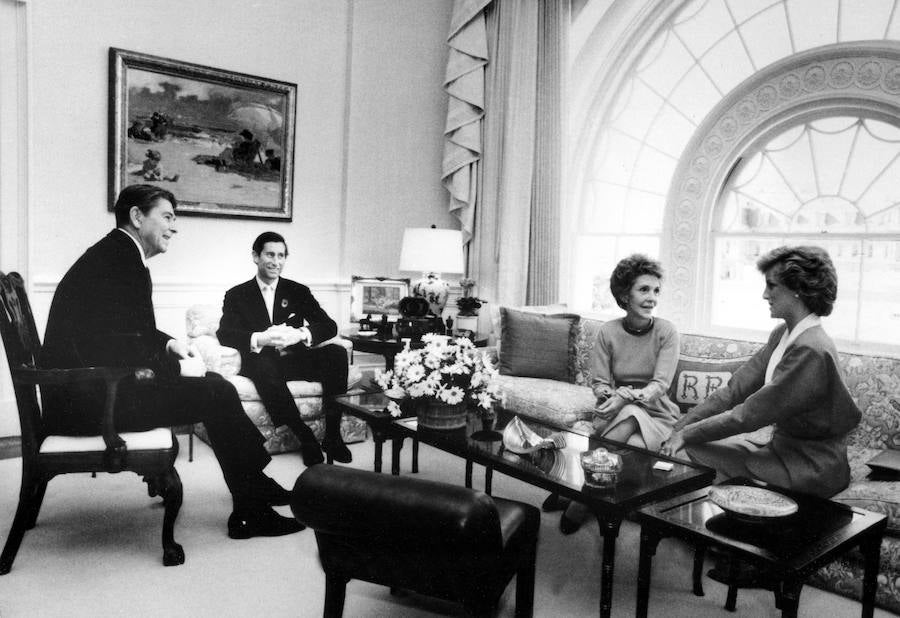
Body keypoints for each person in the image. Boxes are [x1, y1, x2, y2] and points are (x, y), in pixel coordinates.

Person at [40, 184, 303, 540]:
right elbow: (119, 349)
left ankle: (254, 485)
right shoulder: (120, 262)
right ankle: (251, 507)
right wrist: (179, 369)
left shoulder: (116, 255)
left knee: (215, 387)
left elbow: (133, 333)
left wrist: (172, 346)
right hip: (93, 402)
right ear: (136, 216)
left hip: (85, 392)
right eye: (166, 216)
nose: (173, 227)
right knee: (218, 391)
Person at [660, 246, 861, 498]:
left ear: (797, 289)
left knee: (689, 453)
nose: (765, 295)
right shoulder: (783, 334)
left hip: (810, 467)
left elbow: (749, 415)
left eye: (772, 286)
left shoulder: (811, 349)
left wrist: (686, 435)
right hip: (782, 452)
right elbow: (734, 390)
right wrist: (680, 426)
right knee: (690, 449)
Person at [557, 254, 681, 534]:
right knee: (633, 436)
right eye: (644, 289)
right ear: (625, 295)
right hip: (614, 409)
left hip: (657, 412)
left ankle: (582, 497)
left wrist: (626, 397)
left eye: (656, 290)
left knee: (634, 429)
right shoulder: (608, 331)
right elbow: (600, 383)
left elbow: (659, 385)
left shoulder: (666, 332)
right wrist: (611, 395)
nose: (652, 298)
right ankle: (597, 498)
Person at [217, 231, 353, 466]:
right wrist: (260, 339)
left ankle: (332, 435)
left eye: (281, 256)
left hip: (294, 359)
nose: (276, 262)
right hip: (261, 362)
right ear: (256, 256)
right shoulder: (237, 294)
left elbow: (329, 325)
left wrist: (300, 334)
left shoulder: (297, 291)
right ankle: (305, 436)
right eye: (270, 254)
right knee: (265, 366)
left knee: (337, 354)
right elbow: (225, 333)